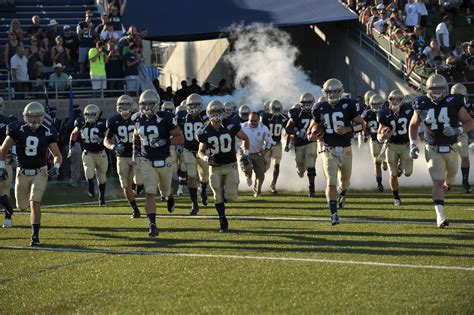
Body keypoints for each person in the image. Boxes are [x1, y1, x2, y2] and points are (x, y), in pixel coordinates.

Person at [409, 74, 473, 228]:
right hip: (432, 147)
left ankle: (448, 185)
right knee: (437, 182)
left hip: (452, 147)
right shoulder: (421, 103)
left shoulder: (454, 101)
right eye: (433, 88)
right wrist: (412, 143)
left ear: (445, 89)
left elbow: (470, 122)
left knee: (450, 179)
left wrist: (457, 130)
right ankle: (440, 216)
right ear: (427, 89)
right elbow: (413, 125)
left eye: (439, 88)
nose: (436, 91)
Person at [0, 102, 62, 246]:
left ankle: (35, 237)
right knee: (21, 206)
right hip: (21, 172)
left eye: (36, 117)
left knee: (35, 202)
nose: (33, 120)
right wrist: (2, 167)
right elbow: (3, 150)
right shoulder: (17, 129)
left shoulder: (48, 131)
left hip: (40, 171)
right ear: (25, 117)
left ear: (41, 117)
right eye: (30, 117)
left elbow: (57, 155)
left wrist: (56, 167)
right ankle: (8, 206)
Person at [308, 78, 366, 225]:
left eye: (335, 91)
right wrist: (312, 135)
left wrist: (348, 129)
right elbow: (311, 130)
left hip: (345, 148)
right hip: (328, 148)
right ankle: (333, 213)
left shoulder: (349, 105)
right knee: (331, 181)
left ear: (340, 91)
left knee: (345, 181)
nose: (332, 94)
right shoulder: (319, 107)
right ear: (324, 92)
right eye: (329, 92)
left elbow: (363, 126)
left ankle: (342, 192)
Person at [133, 90, 183, 237]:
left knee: (165, 191)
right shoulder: (136, 118)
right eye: (143, 104)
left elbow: (180, 138)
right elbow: (136, 135)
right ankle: (152, 225)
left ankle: (170, 196)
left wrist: (165, 141)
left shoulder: (166, 118)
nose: (146, 107)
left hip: (165, 159)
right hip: (146, 160)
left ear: (156, 104)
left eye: (149, 104)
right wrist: (135, 150)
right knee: (150, 193)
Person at [197, 100, 250, 232]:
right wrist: (205, 157)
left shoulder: (231, 125)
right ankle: (222, 220)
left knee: (231, 195)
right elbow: (201, 151)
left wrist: (245, 154)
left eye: (218, 111)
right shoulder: (204, 130)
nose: (216, 114)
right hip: (214, 167)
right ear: (209, 113)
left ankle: (226, 200)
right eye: (213, 111)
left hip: (230, 164)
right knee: (217, 195)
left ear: (223, 112)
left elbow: (245, 138)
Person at [104, 95, 142, 217]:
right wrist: (113, 147)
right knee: (125, 185)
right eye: (121, 105)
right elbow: (106, 140)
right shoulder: (113, 120)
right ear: (117, 107)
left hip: (138, 154)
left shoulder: (137, 118)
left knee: (139, 180)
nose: (124, 108)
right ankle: (135, 209)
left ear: (132, 107)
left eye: (127, 105)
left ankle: (139, 188)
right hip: (122, 157)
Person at [377, 90, 414, 206]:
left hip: (406, 145)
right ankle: (396, 197)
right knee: (393, 174)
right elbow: (379, 135)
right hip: (391, 145)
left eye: (398, 99)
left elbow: (415, 125)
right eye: (393, 99)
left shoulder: (409, 110)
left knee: (407, 172)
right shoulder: (383, 114)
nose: (395, 101)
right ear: (389, 100)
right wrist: (382, 136)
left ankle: (400, 167)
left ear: (402, 100)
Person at [69, 104, 108, 206]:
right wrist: (71, 147)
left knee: (102, 177)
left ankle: (101, 197)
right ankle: (91, 185)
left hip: (101, 153)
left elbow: (109, 136)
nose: (89, 117)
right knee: (88, 174)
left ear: (97, 115)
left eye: (92, 115)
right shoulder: (81, 122)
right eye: (87, 114)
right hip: (88, 153)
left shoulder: (103, 123)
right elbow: (73, 134)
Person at [177, 93, 209, 215]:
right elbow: (176, 130)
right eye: (191, 105)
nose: (194, 107)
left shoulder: (205, 116)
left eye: (196, 105)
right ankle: (194, 204)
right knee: (191, 175)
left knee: (205, 175)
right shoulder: (181, 116)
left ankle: (204, 190)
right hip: (188, 150)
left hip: (203, 151)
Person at [285, 92, 318, 197]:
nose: (307, 105)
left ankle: (311, 187)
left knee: (310, 161)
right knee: (300, 167)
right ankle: (300, 170)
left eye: (309, 103)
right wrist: (298, 132)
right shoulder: (296, 113)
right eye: (305, 103)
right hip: (299, 143)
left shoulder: (316, 112)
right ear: (301, 103)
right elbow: (288, 128)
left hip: (311, 141)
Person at [240, 112, 273, 197]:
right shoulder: (242, 126)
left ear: (258, 120)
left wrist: (265, 151)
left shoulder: (263, 128)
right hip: (245, 152)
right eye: (251, 121)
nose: (253, 123)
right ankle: (248, 176)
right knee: (248, 167)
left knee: (260, 174)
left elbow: (270, 141)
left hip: (258, 153)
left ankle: (257, 191)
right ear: (248, 119)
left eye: (255, 121)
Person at [261, 100, 288, 193]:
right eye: (274, 109)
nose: (276, 111)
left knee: (276, 165)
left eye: (278, 109)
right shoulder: (266, 117)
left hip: (277, 144)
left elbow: (287, 131)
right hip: (267, 144)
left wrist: (288, 142)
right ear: (270, 109)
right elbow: (261, 131)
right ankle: (258, 182)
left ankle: (273, 184)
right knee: (265, 167)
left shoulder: (284, 117)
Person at [362, 94, 385, 192]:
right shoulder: (367, 114)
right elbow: (365, 126)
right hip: (374, 140)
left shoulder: (386, 113)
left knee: (386, 162)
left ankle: (386, 163)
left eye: (378, 104)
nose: (375, 107)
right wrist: (365, 134)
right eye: (374, 105)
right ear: (370, 104)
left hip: (385, 140)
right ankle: (379, 183)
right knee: (376, 162)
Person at [450, 83, 471, 193]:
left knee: (465, 156)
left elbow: (470, 121)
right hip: (448, 134)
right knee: (447, 158)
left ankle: (465, 181)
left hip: (461, 133)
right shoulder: (446, 103)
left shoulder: (468, 105)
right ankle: (446, 181)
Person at [0, 98, 15, 228]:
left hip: (4, 158)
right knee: (5, 190)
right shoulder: (9, 123)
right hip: (7, 159)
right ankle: (8, 218)